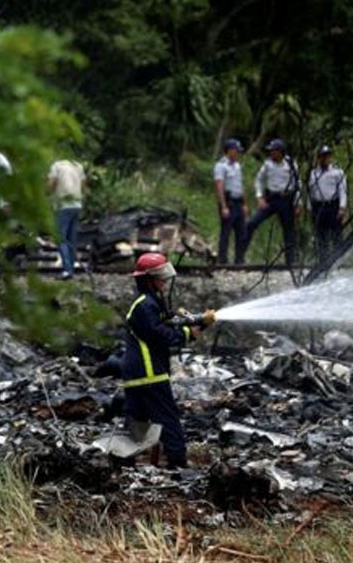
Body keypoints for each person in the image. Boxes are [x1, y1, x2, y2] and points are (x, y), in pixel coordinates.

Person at [122, 253, 215, 468]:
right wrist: (188, 333)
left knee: (138, 422)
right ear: (148, 279)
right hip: (149, 374)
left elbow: (170, 319)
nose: (164, 282)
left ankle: (122, 466)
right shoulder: (146, 306)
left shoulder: (149, 303)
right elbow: (162, 336)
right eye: (160, 277)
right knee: (167, 419)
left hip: (138, 376)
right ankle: (179, 465)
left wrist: (199, 319)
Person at [246, 138, 301, 265]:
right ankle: (241, 255)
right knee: (252, 223)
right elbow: (258, 180)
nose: (271, 153)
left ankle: (291, 261)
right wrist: (259, 197)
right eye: (270, 151)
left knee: (289, 231)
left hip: (287, 200)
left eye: (273, 151)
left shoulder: (291, 164)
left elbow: (298, 183)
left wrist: (298, 203)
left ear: (280, 152)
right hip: (271, 199)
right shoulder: (267, 164)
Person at [307, 145, 348, 263]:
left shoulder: (337, 172)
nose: (325, 159)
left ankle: (339, 259)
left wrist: (342, 207)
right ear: (318, 158)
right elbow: (310, 191)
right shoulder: (313, 173)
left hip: (332, 205)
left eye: (327, 156)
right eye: (322, 157)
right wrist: (310, 208)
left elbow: (342, 190)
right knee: (321, 235)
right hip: (318, 206)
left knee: (336, 234)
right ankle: (323, 260)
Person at [47, 159, 85, 279]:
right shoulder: (78, 165)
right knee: (72, 238)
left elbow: (51, 184)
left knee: (61, 238)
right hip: (77, 205)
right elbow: (83, 184)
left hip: (63, 205)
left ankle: (67, 270)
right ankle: (72, 267)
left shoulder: (56, 165)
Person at [214, 138, 248, 264]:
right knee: (226, 232)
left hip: (238, 202)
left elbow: (240, 185)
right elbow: (219, 186)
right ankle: (223, 260)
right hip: (229, 202)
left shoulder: (237, 166)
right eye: (236, 151)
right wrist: (223, 206)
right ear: (230, 151)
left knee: (241, 232)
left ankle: (239, 260)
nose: (238, 153)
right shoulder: (221, 166)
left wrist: (245, 203)